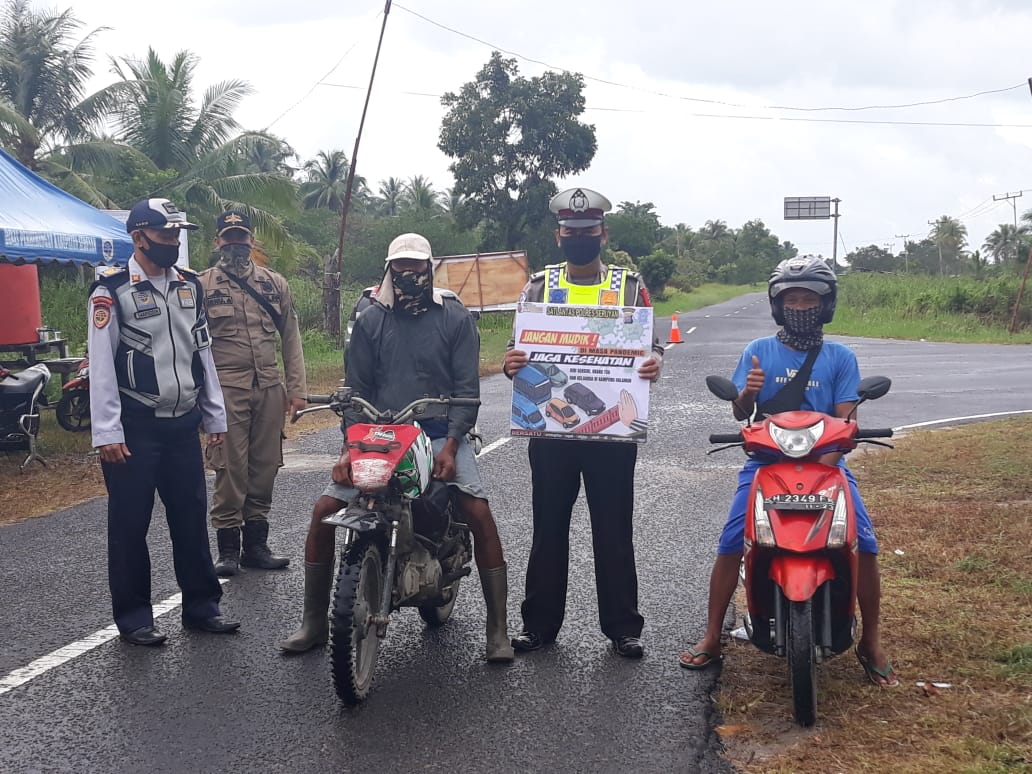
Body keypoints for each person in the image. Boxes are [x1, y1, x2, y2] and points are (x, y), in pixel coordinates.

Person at [280, 233, 515, 663]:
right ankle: (314, 622)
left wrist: (452, 443)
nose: (409, 274)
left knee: (477, 510)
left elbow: (467, 391)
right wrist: (350, 448)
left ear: (430, 268)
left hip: (440, 430)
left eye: (417, 267)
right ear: (390, 269)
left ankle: (498, 629)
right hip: (380, 433)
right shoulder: (372, 319)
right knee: (322, 510)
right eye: (400, 267)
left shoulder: (455, 318)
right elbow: (355, 391)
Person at [678, 256, 898, 687]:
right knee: (731, 541)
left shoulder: (840, 357)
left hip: (827, 464)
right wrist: (747, 392)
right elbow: (742, 413)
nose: (800, 306)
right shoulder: (757, 351)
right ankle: (711, 638)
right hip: (765, 463)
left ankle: (870, 641)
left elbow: (844, 419)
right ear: (778, 305)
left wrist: (827, 460)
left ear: (826, 304)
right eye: (791, 299)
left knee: (865, 544)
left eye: (809, 299)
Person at [502, 187, 663, 659]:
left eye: (588, 232)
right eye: (571, 233)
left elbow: (652, 346)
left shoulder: (631, 287)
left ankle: (623, 628)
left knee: (613, 529)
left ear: (602, 234)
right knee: (547, 528)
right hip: (552, 435)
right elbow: (517, 350)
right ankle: (539, 626)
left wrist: (654, 361)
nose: (579, 238)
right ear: (559, 236)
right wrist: (511, 363)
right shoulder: (537, 288)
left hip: (612, 433)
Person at [88, 197, 239, 646]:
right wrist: (108, 432)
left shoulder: (189, 286)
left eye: (177, 234)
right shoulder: (110, 292)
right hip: (135, 427)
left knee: (190, 519)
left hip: (181, 425)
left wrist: (215, 416)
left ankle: (201, 607)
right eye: (165, 234)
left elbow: (203, 352)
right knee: (130, 524)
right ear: (139, 238)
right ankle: (135, 618)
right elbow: (101, 367)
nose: (174, 242)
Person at [199, 211, 306, 576]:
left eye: (241, 238)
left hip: (269, 388)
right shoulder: (201, 286)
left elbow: (290, 338)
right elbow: (192, 346)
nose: (235, 245)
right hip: (226, 390)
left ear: (251, 242)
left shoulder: (274, 284)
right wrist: (200, 397)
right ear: (217, 243)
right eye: (228, 238)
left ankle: (256, 546)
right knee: (229, 468)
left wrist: (298, 391)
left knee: (265, 466)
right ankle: (228, 549)